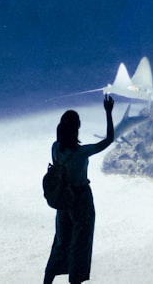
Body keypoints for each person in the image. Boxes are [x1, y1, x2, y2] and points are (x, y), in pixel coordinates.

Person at [43, 94, 115, 284]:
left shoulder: (55, 147)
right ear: (77, 130)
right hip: (81, 199)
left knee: (61, 241)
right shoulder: (83, 152)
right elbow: (109, 139)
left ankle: (47, 279)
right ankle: (75, 280)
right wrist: (108, 112)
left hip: (63, 198)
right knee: (80, 243)